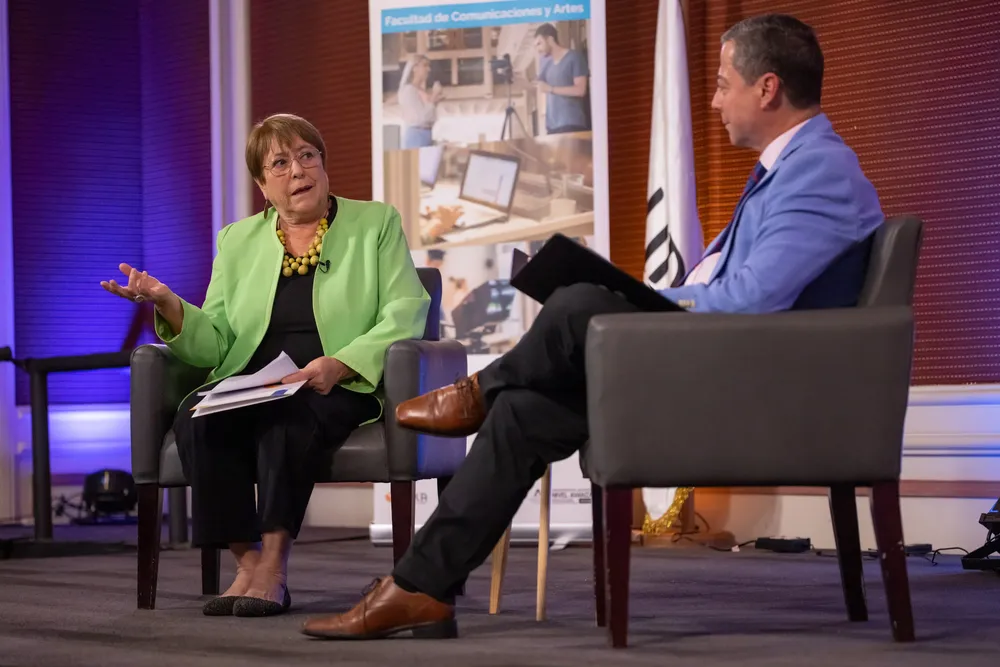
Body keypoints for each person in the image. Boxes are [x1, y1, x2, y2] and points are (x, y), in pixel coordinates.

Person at [300, 14, 884, 640]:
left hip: (756, 393)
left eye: (721, 83)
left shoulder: (818, 170)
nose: (714, 99)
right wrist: (643, 301)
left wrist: (637, 307)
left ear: (767, 89)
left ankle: (478, 391)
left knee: (579, 302)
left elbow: (752, 300)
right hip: (723, 369)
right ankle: (422, 588)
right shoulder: (789, 166)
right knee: (523, 412)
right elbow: (733, 290)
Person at [101, 113, 430, 618]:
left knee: (287, 421)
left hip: (332, 381)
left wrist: (340, 364)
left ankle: (274, 570)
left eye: (307, 156)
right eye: (281, 162)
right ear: (262, 185)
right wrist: (168, 303)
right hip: (254, 379)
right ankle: (247, 562)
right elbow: (216, 340)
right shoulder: (237, 240)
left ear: (323, 164)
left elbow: (406, 309)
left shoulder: (375, 223)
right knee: (196, 415)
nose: (298, 169)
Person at [533, 23, 590, 134]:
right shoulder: (545, 62)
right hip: (551, 127)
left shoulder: (574, 57)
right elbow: (539, 84)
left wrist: (551, 89)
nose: (538, 49)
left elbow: (580, 90)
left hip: (572, 123)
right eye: (535, 46)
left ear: (550, 39)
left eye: (539, 43)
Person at [398, 55, 442, 149]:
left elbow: (429, 116)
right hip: (416, 136)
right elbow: (421, 117)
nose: (428, 69)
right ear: (415, 68)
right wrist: (434, 96)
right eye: (425, 65)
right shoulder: (408, 90)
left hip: (425, 134)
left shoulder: (420, 90)